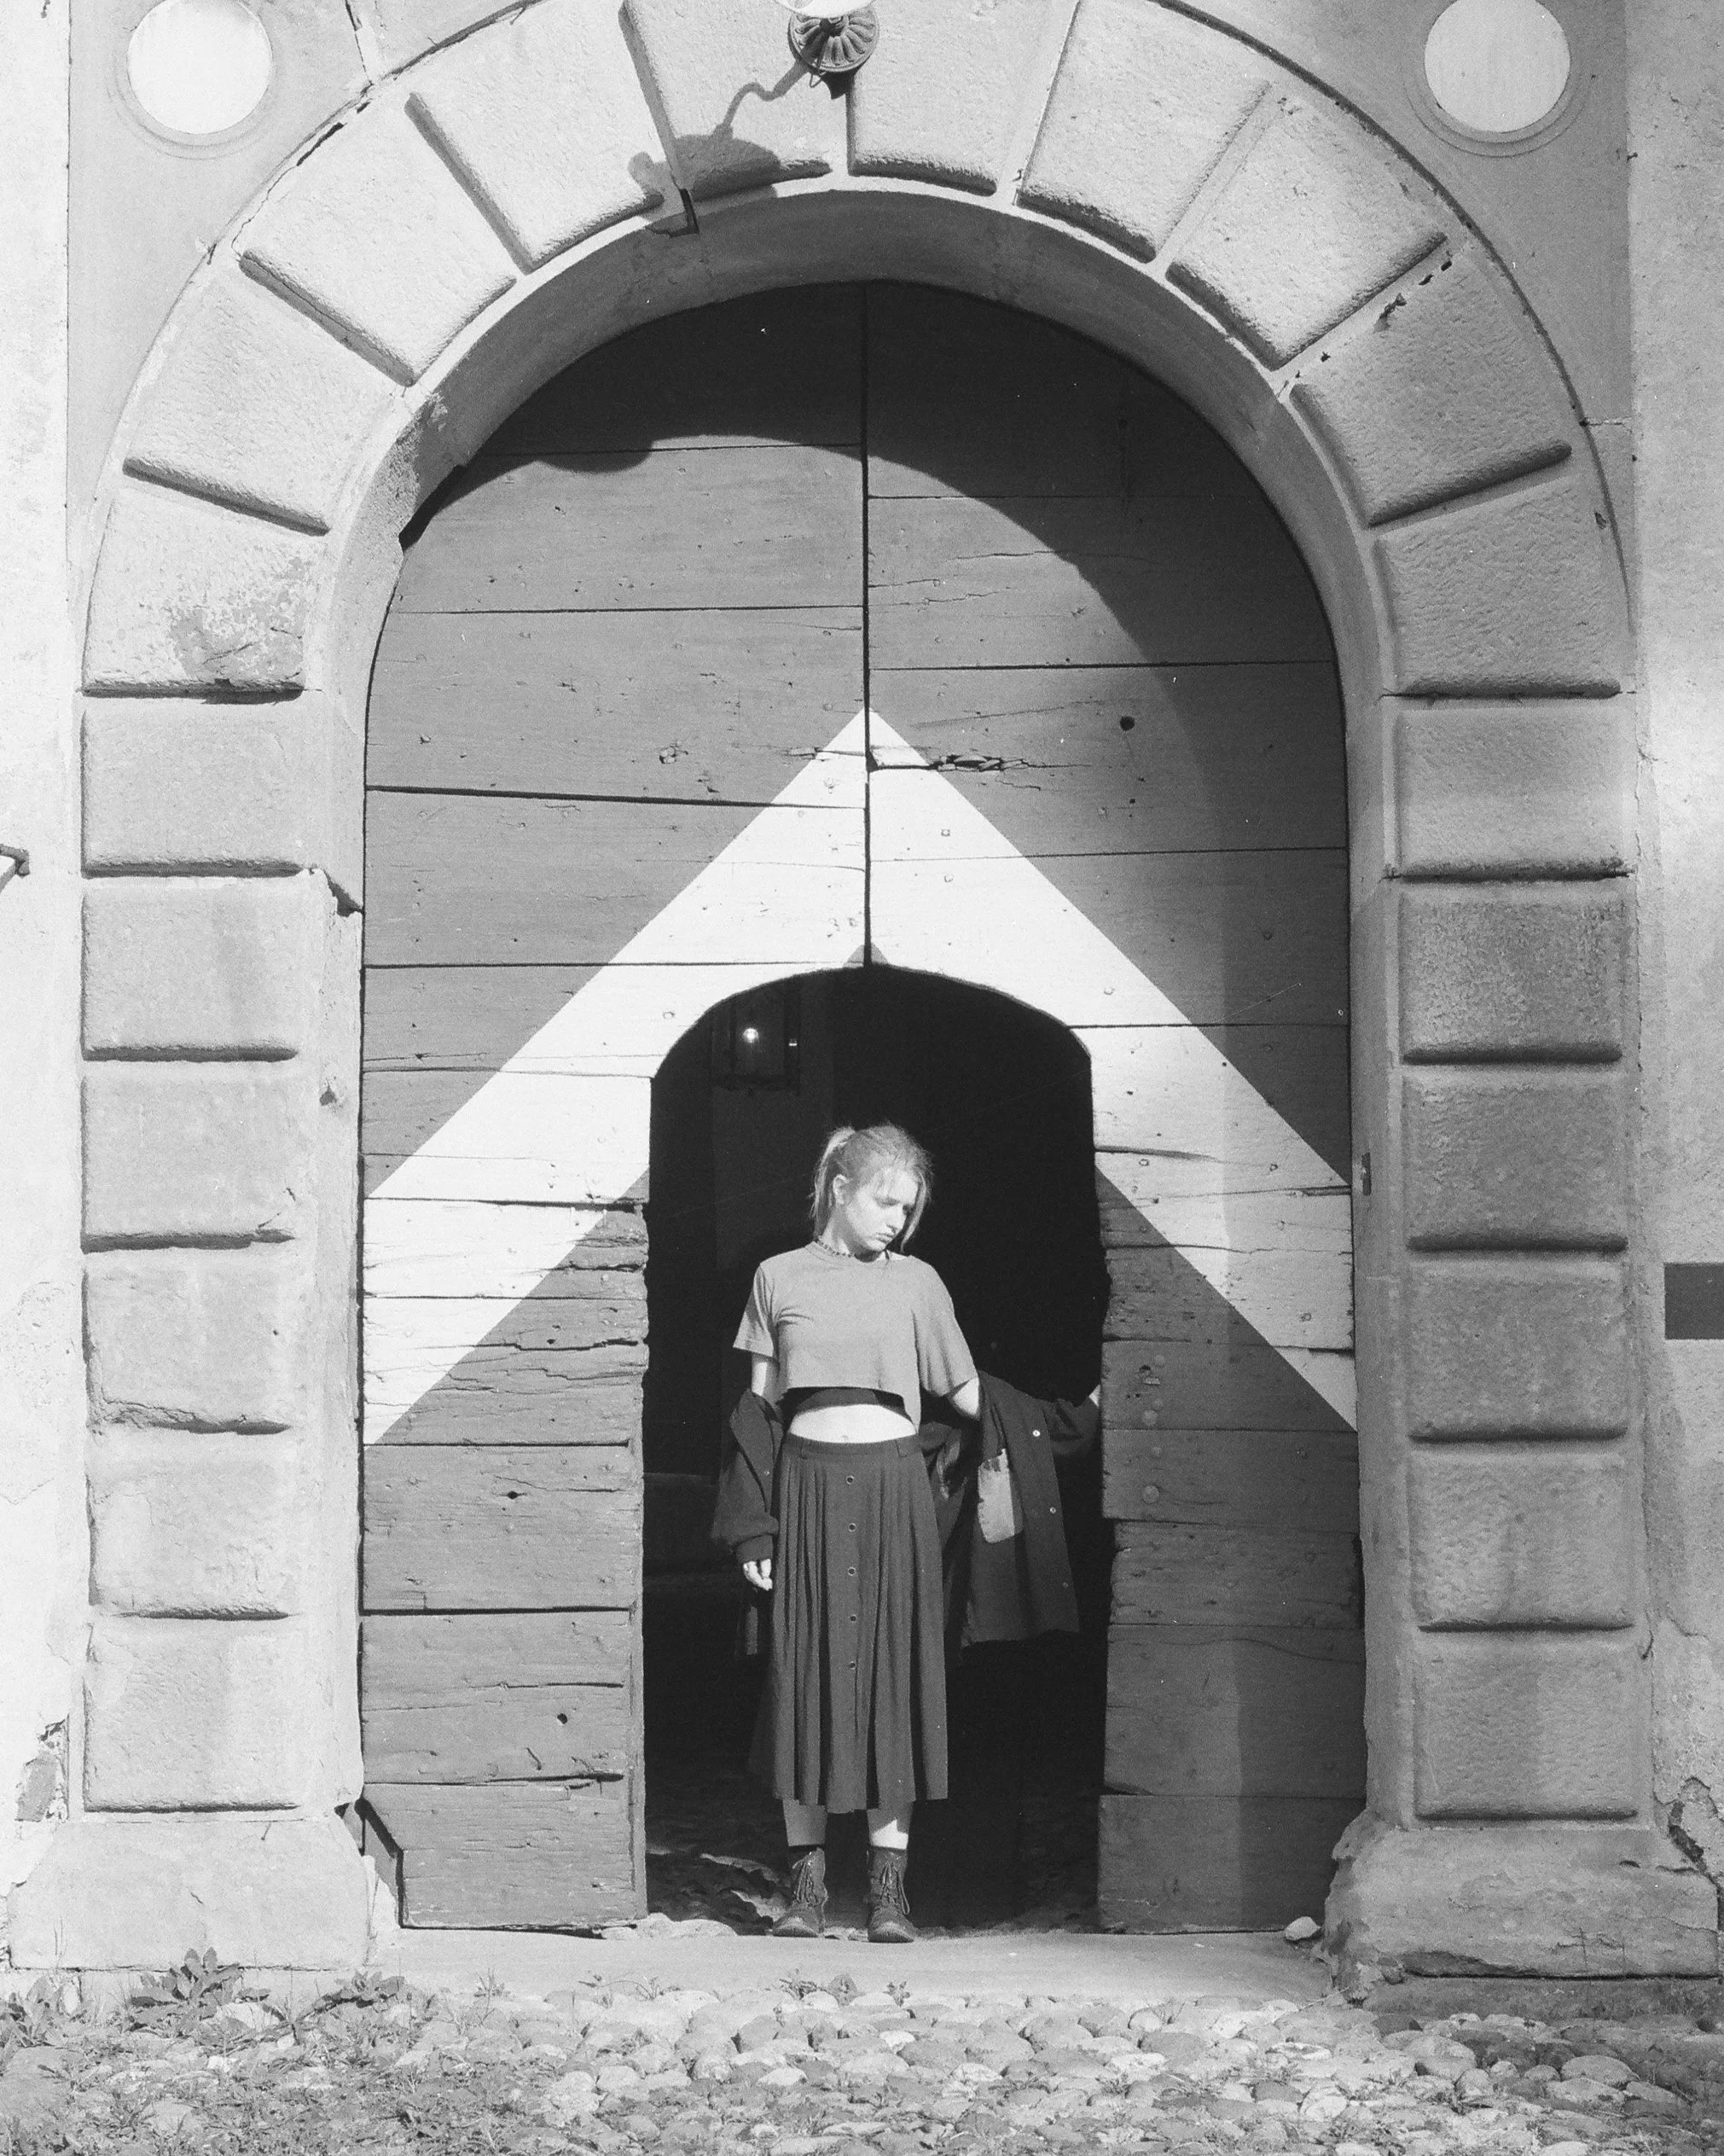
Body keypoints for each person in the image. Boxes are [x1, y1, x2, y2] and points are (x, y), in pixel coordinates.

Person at [728, 1123, 980, 1944]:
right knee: (802, 1673)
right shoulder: (776, 1277)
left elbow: (966, 1392)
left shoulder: (917, 1282)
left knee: (892, 1672)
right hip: (801, 1488)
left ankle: (887, 1895)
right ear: (839, 1187)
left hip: (891, 1488)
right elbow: (754, 1414)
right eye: (883, 1201)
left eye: (905, 1209)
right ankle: (804, 1890)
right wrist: (752, 1528)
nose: (894, 1222)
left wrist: (1065, 1420)